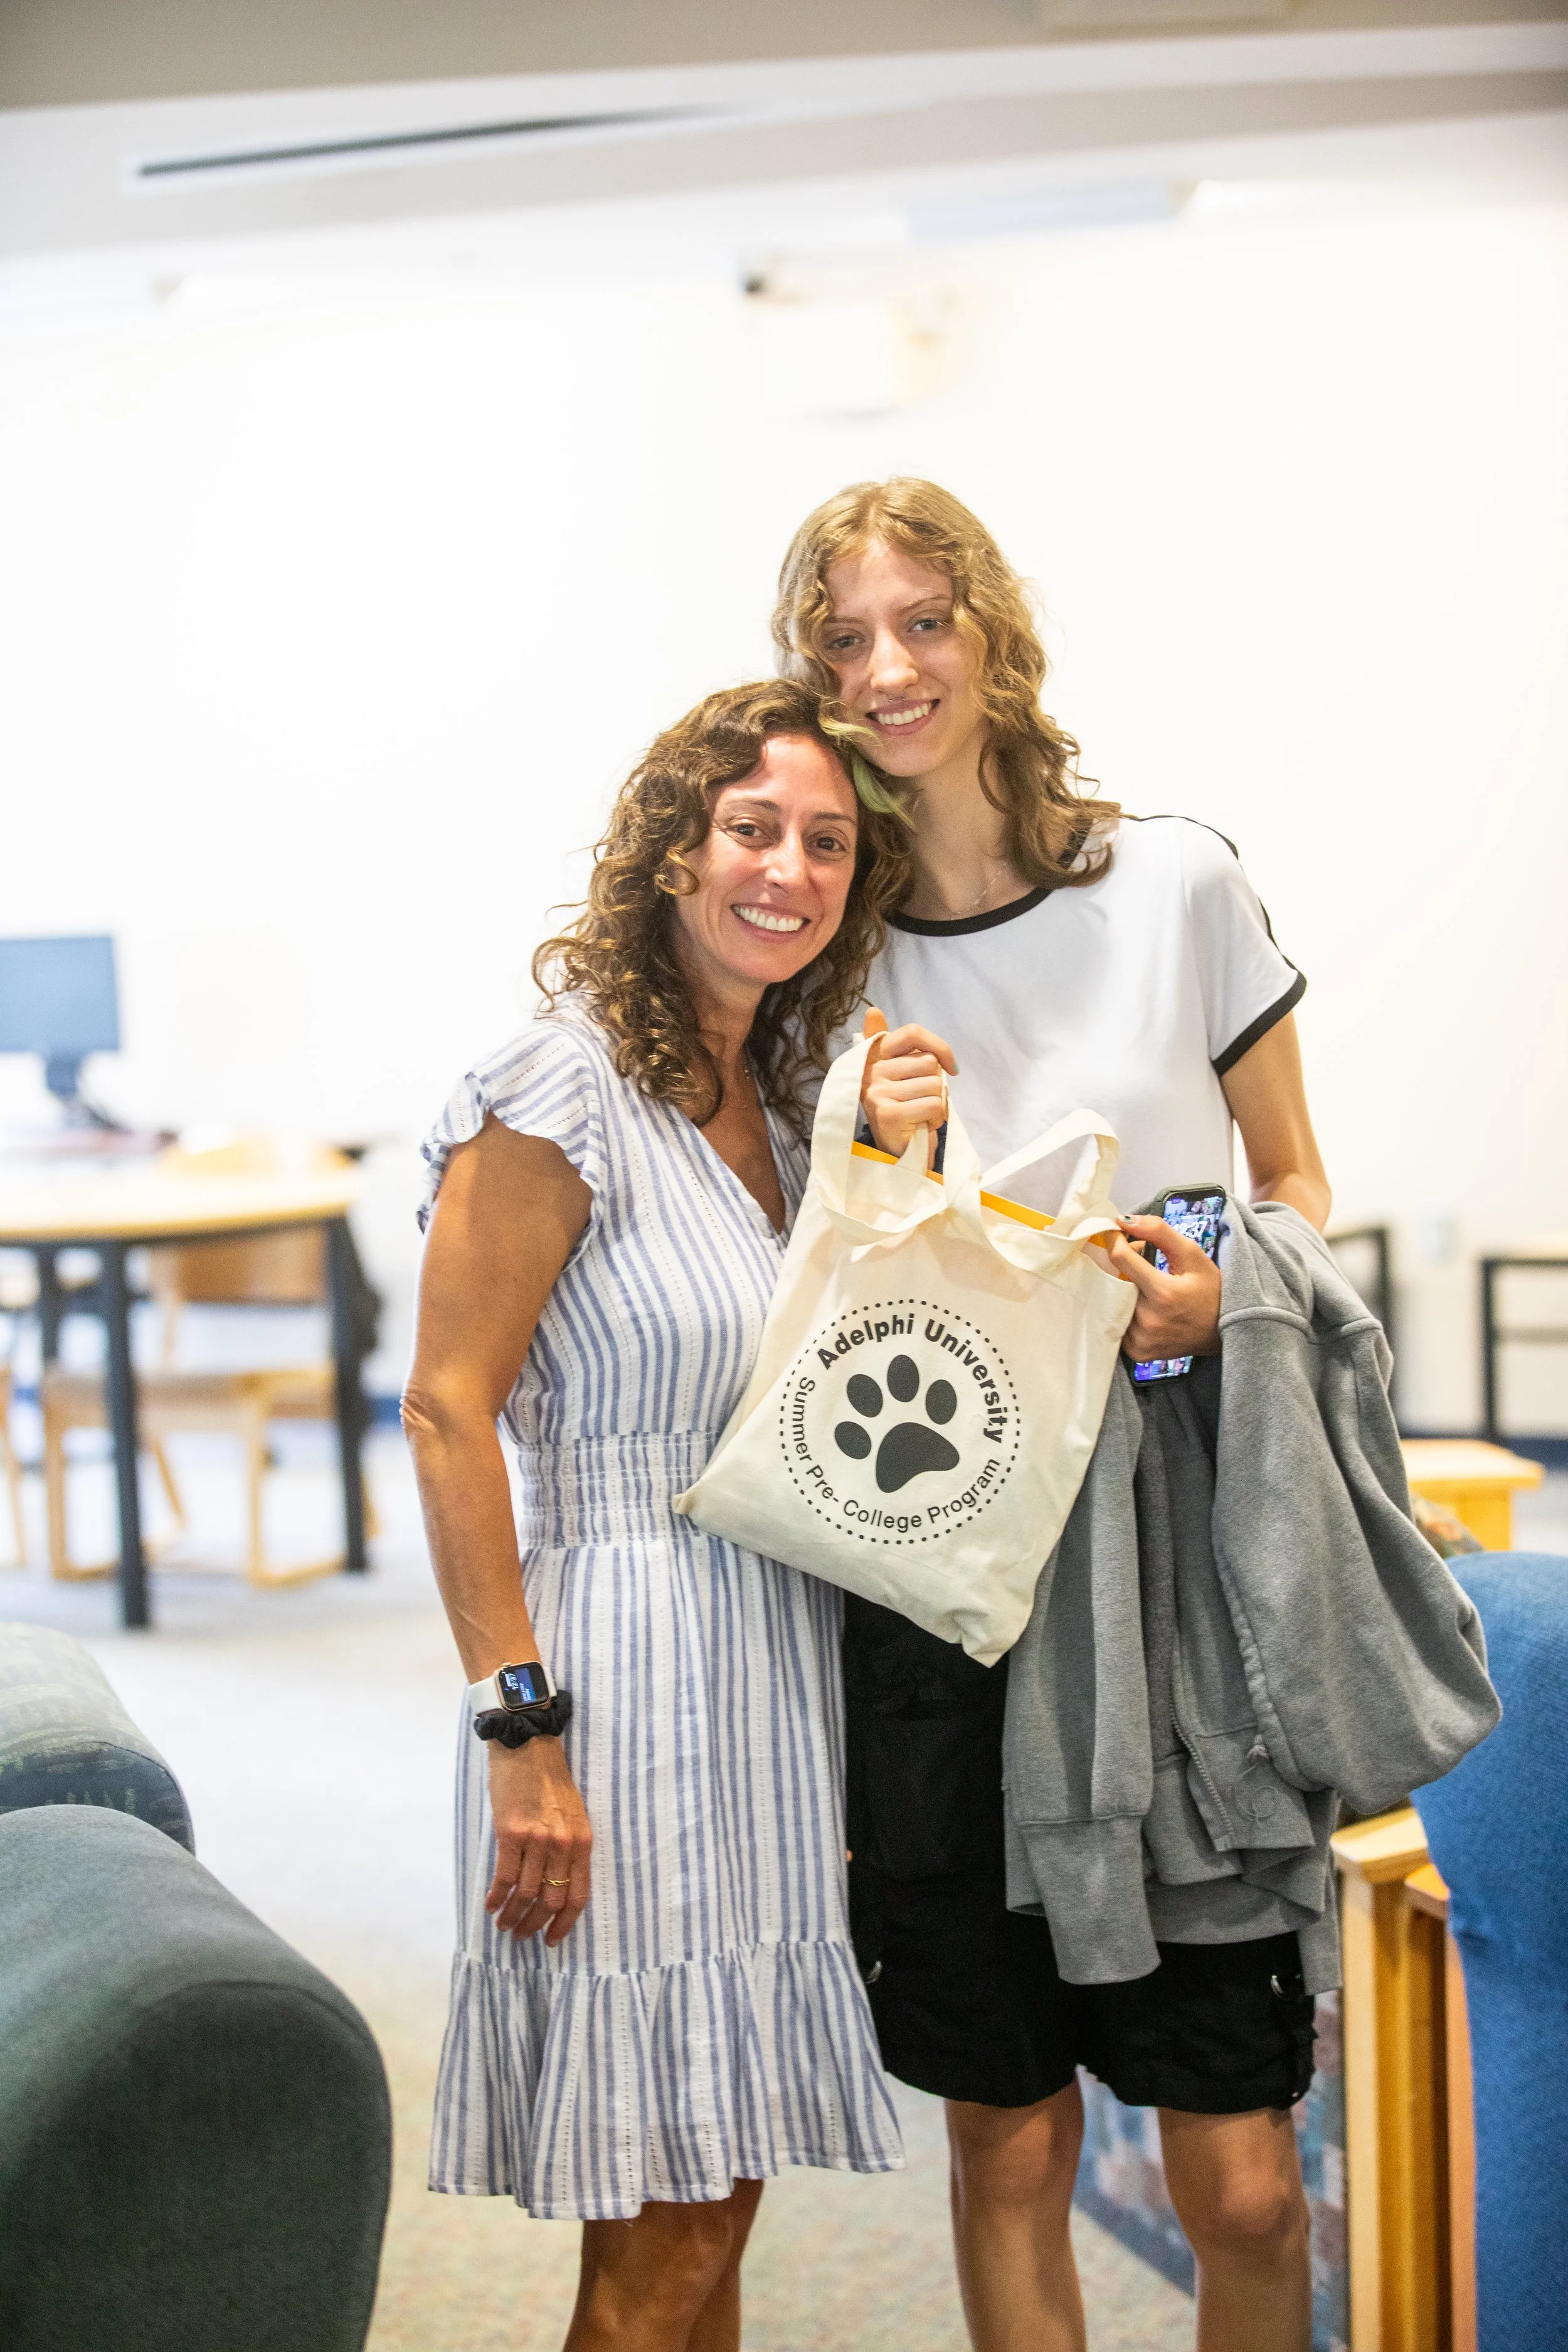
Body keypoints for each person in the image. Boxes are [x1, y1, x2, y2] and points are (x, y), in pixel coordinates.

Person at [771, 479, 1333, 2352]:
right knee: (1003, 2136)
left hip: (1167, 1549)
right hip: (942, 1570)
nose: (887, 665)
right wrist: (869, 1151)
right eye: (843, 639)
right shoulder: (828, 956)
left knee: (1241, 2167)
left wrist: (1216, 1298)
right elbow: (804, 1295)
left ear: (991, 628)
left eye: (920, 617)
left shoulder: (1174, 878)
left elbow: (1297, 1186)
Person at [402, 679, 905, 2352]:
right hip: (618, 1670)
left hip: (770, 1659)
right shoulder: (557, 1084)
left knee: (722, 2178)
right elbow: (445, 1404)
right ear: (672, 848)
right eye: (752, 827)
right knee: (662, 2236)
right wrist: (519, 1731)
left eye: (825, 841)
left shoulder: (770, 1096)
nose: (789, 868)